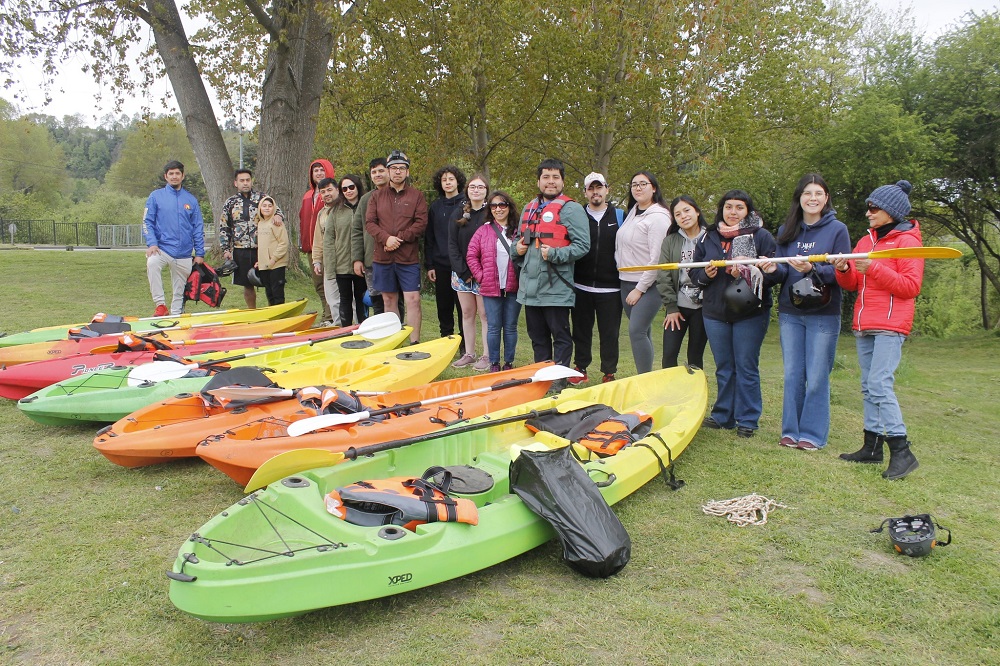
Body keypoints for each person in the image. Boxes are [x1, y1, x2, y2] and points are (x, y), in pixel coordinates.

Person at [832, 180, 923, 480]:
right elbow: (852, 285)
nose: (868, 212)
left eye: (874, 208)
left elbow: (911, 287)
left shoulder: (908, 241)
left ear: (892, 213)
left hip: (891, 324)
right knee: (868, 386)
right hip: (864, 322)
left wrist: (875, 269)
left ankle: (902, 451)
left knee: (880, 384)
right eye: (868, 207)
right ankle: (871, 447)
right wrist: (844, 269)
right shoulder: (865, 242)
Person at [759, 174, 851, 452]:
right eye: (807, 193)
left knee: (817, 374)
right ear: (799, 198)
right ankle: (790, 431)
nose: (813, 198)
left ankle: (812, 433)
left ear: (826, 198)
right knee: (792, 374)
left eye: (819, 193)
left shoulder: (838, 230)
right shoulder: (787, 229)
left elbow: (842, 273)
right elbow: (783, 272)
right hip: (791, 312)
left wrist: (813, 269)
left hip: (824, 312)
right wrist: (774, 270)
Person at [689, 190, 778, 438]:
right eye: (729, 206)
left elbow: (776, 274)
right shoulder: (708, 236)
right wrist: (706, 274)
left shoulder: (762, 237)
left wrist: (751, 271)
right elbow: (694, 274)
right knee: (724, 366)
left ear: (748, 210)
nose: (733, 212)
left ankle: (748, 419)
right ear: (721, 209)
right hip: (715, 311)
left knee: (746, 366)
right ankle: (722, 415)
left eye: (739, 207)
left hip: (750, 312)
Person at [515, 158, 590, 393]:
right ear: (538, 181)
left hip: (556, 286)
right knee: (537, 337)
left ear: (563, 181)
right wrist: (515, 250)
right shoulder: (530, 208)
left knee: (560, 336)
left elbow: (583, 245)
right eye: (546, 177)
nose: (550, 182)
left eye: (555, 177)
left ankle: (558, 381)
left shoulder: (572, 209)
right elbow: (520, 244)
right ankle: (543, 377)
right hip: (530, 288)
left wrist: (556, 254)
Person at [365, 150, 427, 344]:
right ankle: (394, 341)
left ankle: (414, 342)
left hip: (408, 258)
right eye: (394, 168)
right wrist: (386, 239)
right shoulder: (376, 197)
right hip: (383, 258)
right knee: (389, 300)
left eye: (402, 168)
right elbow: (370, 223)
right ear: (388, 171)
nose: (398, 172)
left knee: (413, 300)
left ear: (407, 172)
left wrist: (398, 239)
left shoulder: (417, 196)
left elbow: (421, 223)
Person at [616, 171, 672, 375]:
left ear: (654, 188)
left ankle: (645, 380)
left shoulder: (659, 217)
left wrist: (640, 289)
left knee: (636, 331)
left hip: (649, 285)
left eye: (643, 184)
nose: (638, 188)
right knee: (644, 331)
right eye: (634, 185)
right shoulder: (633, 212)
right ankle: (647, 376)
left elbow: (658, 259)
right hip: (626, 281)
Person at [570, 172, 623, 385]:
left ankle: (609, 372)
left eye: (598, 187)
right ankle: (580, 368)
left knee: (609, 334)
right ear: (585, 192)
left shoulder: (620, 216)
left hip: (611, 288)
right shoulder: (577, 215)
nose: (595, 192)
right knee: (581, 331)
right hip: (580, 285)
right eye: (591, 188)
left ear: (606, 189)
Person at [142, 160, 205, 316]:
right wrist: (152, 244)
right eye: (171, 174)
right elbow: (147, 221)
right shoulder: (155, 197)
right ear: (166, 176)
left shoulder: (191, 200)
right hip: (162, 249)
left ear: (182, 176)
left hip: (184, 252)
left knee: (179, 290)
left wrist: (199, 253)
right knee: (152, 263)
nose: (174, 176)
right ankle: (160, 305)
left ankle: (176, 316)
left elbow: (197, 227)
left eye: (177, 173)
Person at [467, 191, 522, 372]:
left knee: (510, 327)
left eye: (502, 205)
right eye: (494, 206)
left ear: (509, 207)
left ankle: (508, 362)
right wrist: (481, 276)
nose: (498, 209)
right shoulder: (484, 230)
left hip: (514, 286)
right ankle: (494, 363)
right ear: (490, 209)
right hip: (491, 286)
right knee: (493, 327)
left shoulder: (519, 230)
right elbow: (471, 255)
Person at [218, 169, 283, 309]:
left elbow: (276, 209)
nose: (245, 183)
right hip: (240, 249)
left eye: (248, 180)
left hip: (262, 248)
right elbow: (224, 227)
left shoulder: (262, 198)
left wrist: (278, 216)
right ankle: (252, 311)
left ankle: (273, 309)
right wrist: (225, 249)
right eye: (242, 180)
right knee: (247, 284)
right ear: (236, 183)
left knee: (269, 281)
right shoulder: (230, 202)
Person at [657, 195, 708, 369]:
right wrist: (671, 307)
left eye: (687, 210)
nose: (683, 216)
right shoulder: (670, 241)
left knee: (695, 355)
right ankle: (670, 393)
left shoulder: (711, 238)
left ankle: (693, 394)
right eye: (678, 214)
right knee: (669, 354)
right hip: (677, 306)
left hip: (703, 307)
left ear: (697, 211)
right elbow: (663, 274)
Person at [449, 174, 491, 371]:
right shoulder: (458, 212)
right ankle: (469, 353)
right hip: (462, 272)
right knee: (467, 313)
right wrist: (463, 271)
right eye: (473, 187)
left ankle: (487, 355)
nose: (476, 190)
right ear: (467, 190)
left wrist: (479, 271)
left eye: (480, 187)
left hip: (484, 273)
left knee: (484, 314)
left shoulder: (491, 213)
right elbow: (452, 244)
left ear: (486, 191)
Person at [425, 165, 467, 338]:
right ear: (440, 183)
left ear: (458, 181)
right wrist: (430, 265)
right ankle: (446, 340)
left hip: (462, 265)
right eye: (444, 180)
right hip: (440, 264)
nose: (448, 183)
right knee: (443, 306)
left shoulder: (467, 204)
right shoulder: (435, 207)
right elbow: (430, 238)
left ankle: (465, 342)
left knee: (464, 308)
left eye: (451, 179)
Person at [299, 158, 337, 324]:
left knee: (331, 284)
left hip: (330, 248)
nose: (319, 173)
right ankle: (327, 314)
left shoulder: (332, 193)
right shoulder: (308, 195)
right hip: (311, 247)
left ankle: (331, 317)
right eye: (316, 170)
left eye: (322, 169)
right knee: (319, 285)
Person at [352, 158, 389, 316]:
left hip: (394, 259)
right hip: (370, 259)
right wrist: (357, 259)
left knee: (394, 299)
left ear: (389, 171)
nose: (377, 175)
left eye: (381, 171)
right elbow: (357, 229)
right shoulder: (365, 199)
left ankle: (398, 333)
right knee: (376, 300)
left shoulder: (400, 196)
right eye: (374, 172)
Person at [336, 174, 369, 324]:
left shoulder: (367, 204)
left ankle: (363, 327)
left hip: (362, 260)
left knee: (362, 297)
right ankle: (345, 329)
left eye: (351, 187)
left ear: (357, 186)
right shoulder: (337, 210)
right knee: (345, 298)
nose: (348, 191)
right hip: (342, 262)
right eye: (344, 188)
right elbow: (329, 238)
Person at [254, 196, 288, 306]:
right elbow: (262, 245)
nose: (267, 208)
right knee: (269, 292)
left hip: (276, 264)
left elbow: (283, 243)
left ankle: (281, 316)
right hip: (264, 265)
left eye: (270, 206)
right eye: (264, 206)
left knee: (277, 291)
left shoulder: (276, 223)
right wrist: (260, 260)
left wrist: (273, 259)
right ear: (260, 208)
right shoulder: (260, 224)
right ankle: (273, 315)